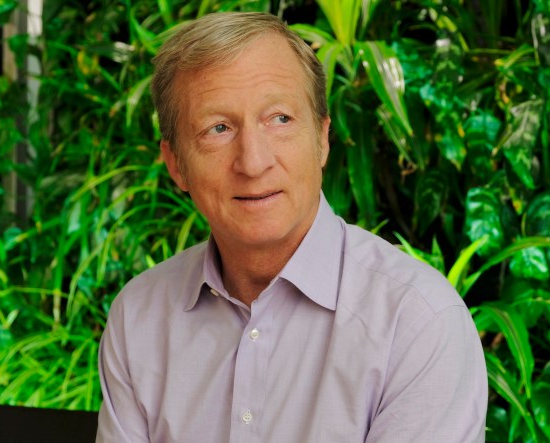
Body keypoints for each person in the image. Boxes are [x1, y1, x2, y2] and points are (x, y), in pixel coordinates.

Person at [96, 12, 487, 443]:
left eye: (279, 119)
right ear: (176, 165)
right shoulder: (139, 317)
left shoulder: (416, 323)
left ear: (322, 139)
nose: (254, 161)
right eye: (218, 129)